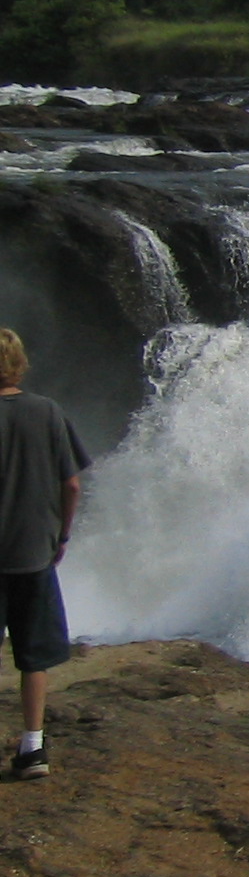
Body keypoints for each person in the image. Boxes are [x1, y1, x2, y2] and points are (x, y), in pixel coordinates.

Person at [0, 329, 89, 781]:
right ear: (19, 363)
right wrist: (62, 535)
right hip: (34, 550)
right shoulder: (47, 411)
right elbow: (71, 484)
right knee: (33, 656)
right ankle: (33, 747)